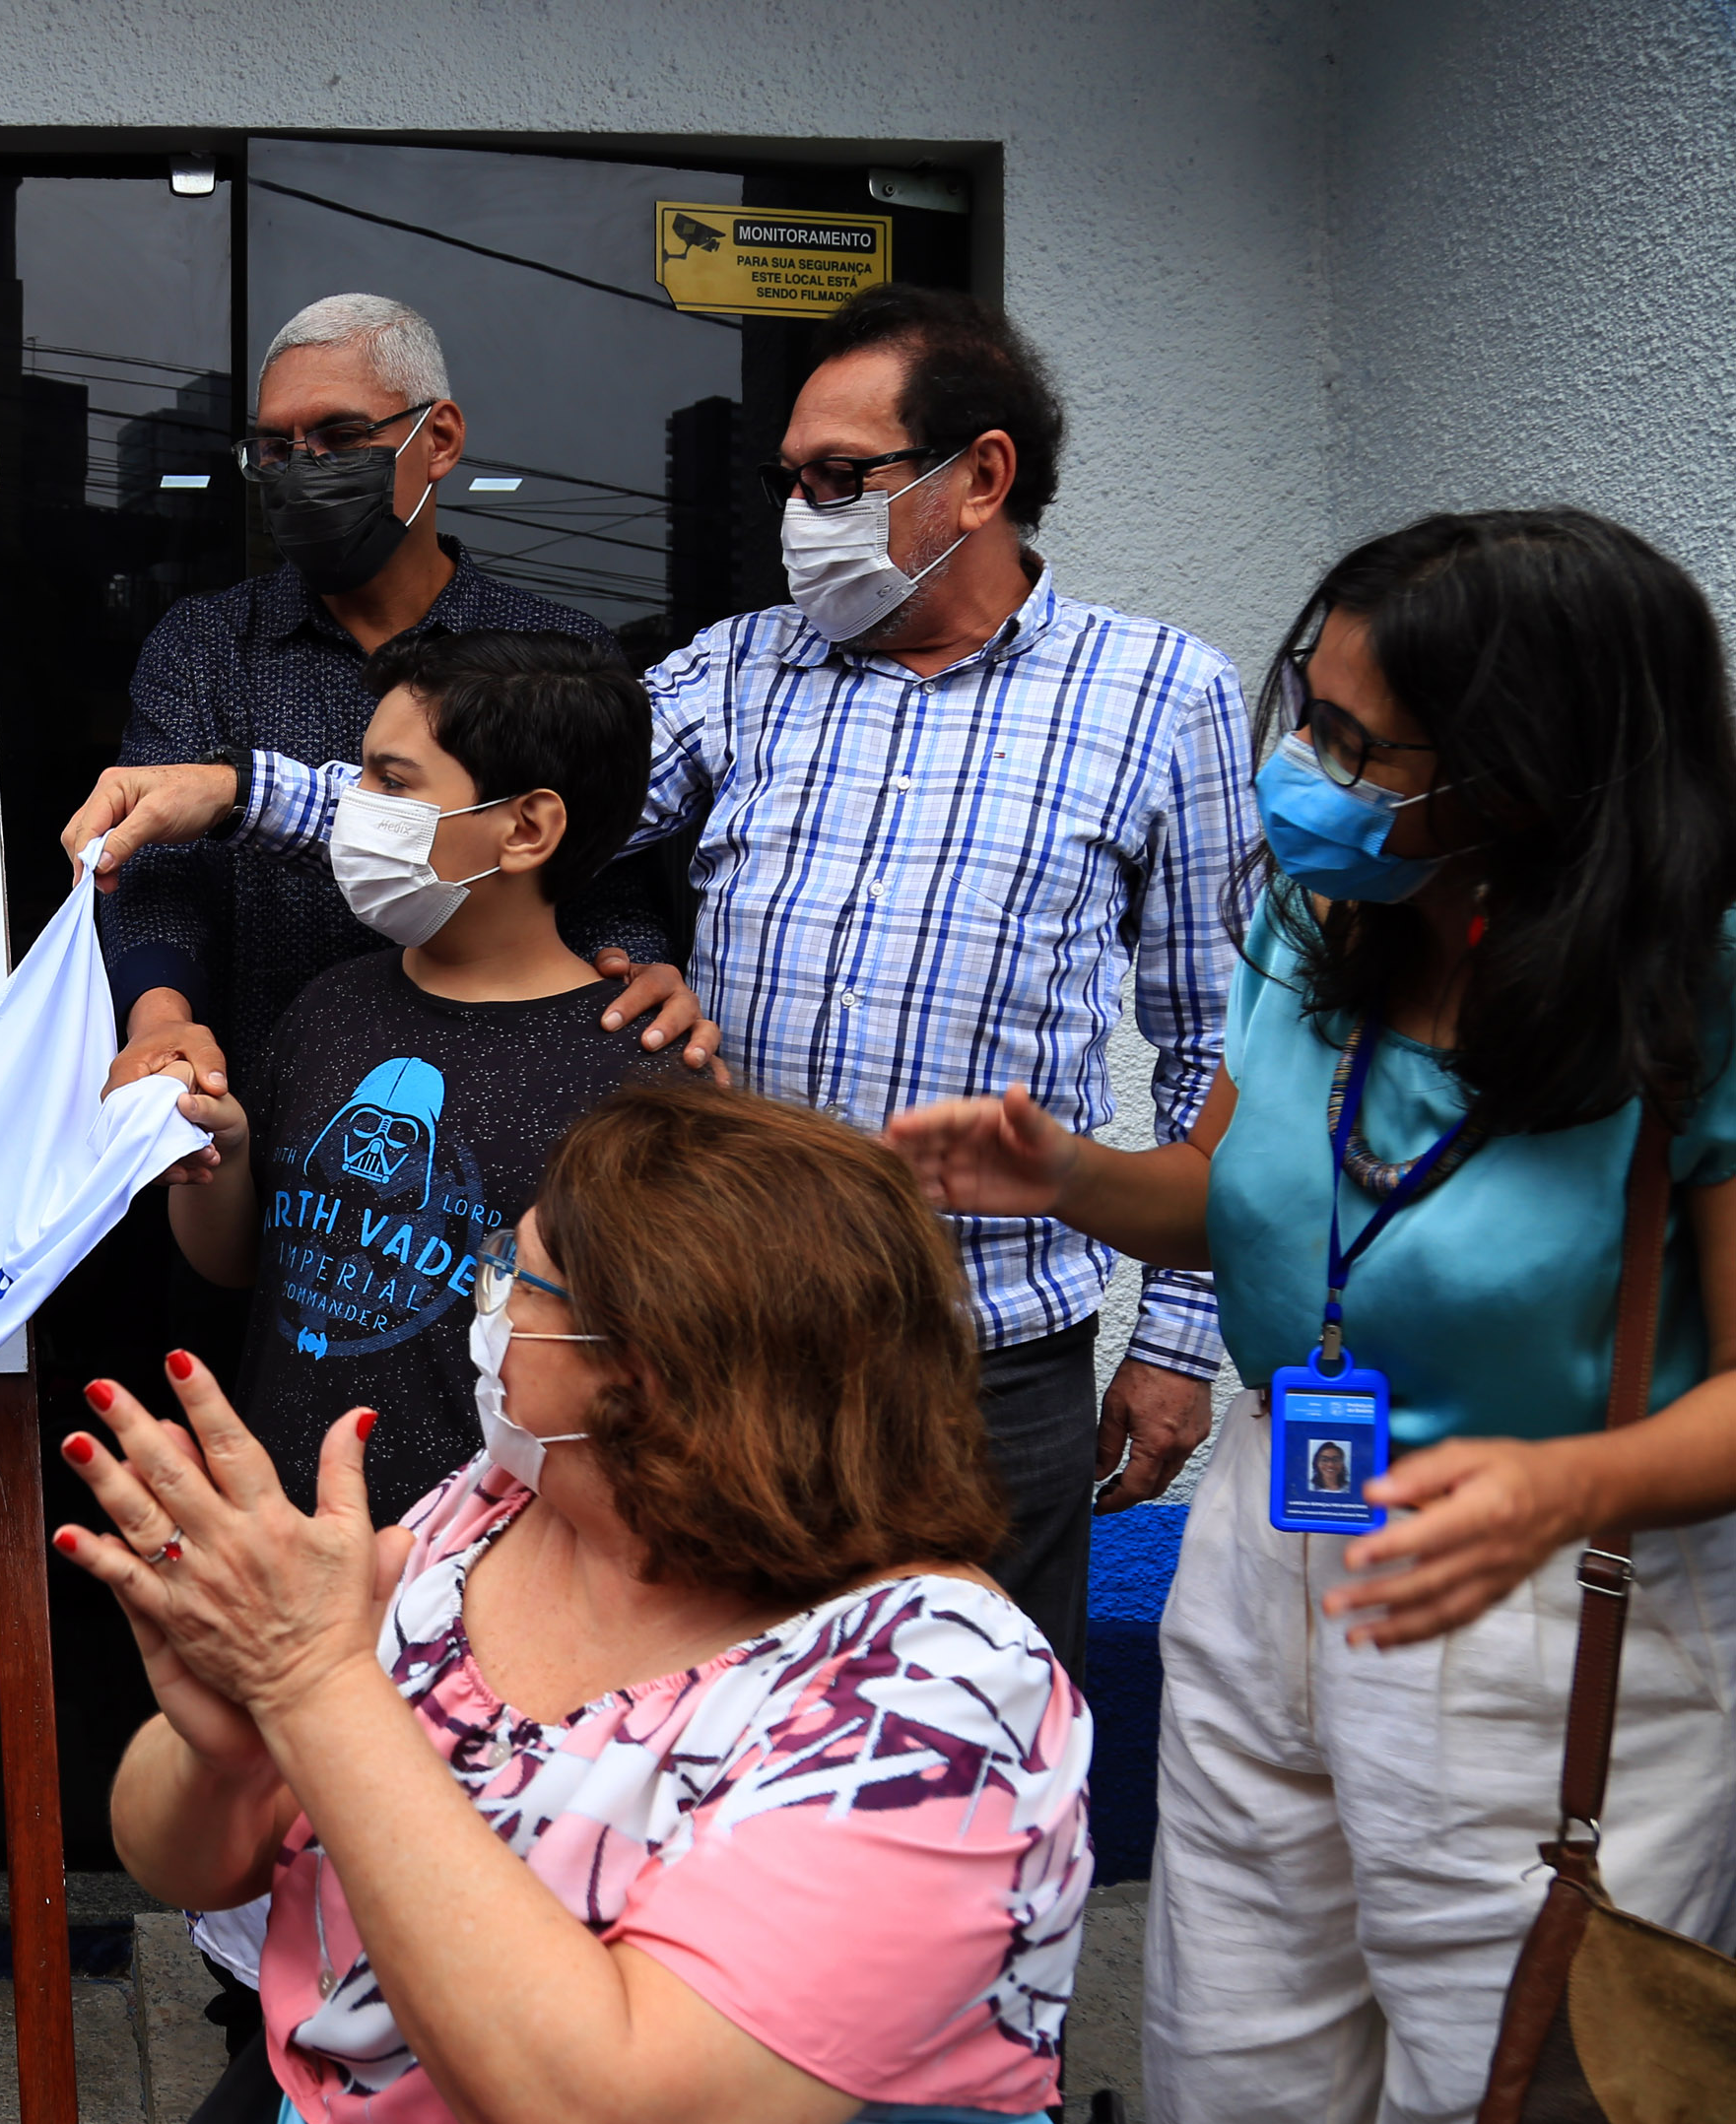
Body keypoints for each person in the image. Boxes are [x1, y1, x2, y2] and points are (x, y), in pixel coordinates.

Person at [69, 285, 1254, 1673]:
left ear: (979, 476)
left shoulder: (1160, 695)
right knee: (719, 1754)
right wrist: (233, 789)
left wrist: (1177, 1340)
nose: (796, 514)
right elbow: (515, 804)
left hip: (977, 1354)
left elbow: (1210, 1045)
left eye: (836, 479)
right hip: (726, 1349)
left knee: (969, 1752)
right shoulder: (739, 671)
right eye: (783, 482)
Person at [884, 506, 1736, 2124]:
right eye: (1308, 713)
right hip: (1276, 1519)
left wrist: (1561, 1475)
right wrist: (1069, 1179)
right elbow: (1243, 1197)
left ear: (1522, 773)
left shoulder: (1694, 984)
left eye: (1356, 744)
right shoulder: (1320, 917)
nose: (1301, 770)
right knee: (1237, 2067)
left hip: (1532, 1582)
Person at [56, 1082, 1091, 2124]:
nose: (485, 1300)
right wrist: (223, 1752)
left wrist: (310, 1685)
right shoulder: (491, 1514)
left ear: (643, 1379)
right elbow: (180, 1858)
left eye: (521, 1279)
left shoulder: (935, 1700)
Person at [70, 293, 715, 1111]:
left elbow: (603, 868)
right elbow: (154, 862)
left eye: (339, 438)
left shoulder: (557, 653)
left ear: (437, 439)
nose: (302, 469)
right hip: (233, 1103)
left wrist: (633, 970)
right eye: (275, 448)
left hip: (494, 1115)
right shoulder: (204, 645)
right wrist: (158, 1017)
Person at [156, 630, 677, 1526]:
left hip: (475, 1582)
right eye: (359, 774)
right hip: (283, 1532)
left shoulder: (639, 1089)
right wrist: (222, 1158)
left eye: (392, 784)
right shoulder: (331, 1006)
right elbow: (240, 1263)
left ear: (524, 828)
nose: (353, 807)